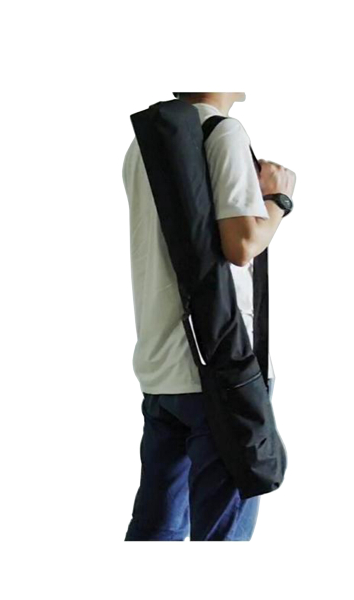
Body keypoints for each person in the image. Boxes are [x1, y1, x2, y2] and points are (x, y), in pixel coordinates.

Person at [122, 92, 296, 541]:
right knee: (222, 541)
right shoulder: (224, 133)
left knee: (155, 531)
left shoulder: (145, 142)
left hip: (161, 370)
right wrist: (278, 198)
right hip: (221, 374)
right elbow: (242, 244)